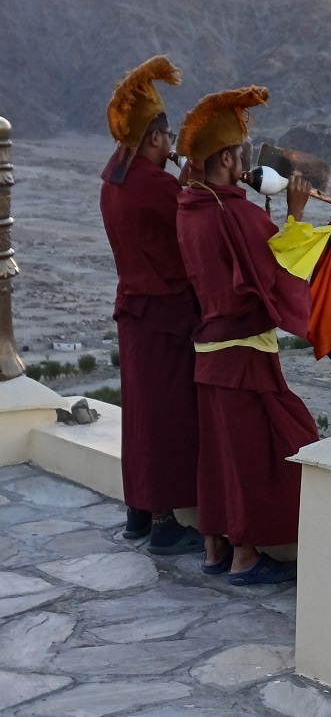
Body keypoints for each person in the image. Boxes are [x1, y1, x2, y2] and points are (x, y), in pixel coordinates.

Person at [176, 86, 320, 586]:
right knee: (260, 452)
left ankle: (214, 547)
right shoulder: (233, 212)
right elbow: (276, 272)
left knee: (217, 452)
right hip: (243, 354)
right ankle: (244, 555)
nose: (243, 160)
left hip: (207, 352)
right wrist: (297, 214)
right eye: (238, 152)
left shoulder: (190, 205)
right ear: (225, 157)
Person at [100, 55, 203, 555]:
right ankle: (164, 523)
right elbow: (189, 234)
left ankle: (138, 511)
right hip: (165, 314)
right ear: (155, 139)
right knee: (165, 415)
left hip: (132, 312)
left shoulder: (112, 182)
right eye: (165, 140)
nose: (170, 149)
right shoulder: (157, 186)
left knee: (139, 412)